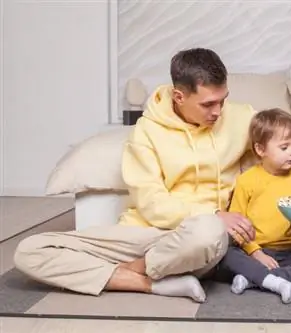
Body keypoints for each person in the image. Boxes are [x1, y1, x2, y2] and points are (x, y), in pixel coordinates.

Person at [13, 48, 258, 303]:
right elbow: (152, 203)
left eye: (223, 100)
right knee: (30, 251)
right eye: (208, 104)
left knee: (210, 231)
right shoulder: (146, 132)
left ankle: (129, 271)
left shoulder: (242, 117)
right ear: (179, 96)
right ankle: (149, 282)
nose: (218, 111)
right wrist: (215, 213)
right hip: (143, 233)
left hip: (197, 242)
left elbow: (282, 141)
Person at [216, 108, 291, 304]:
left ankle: (254, 278)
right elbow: (237, 226)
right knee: (225, 255)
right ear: (260, 150)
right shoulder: (247, 181)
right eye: (284, 147)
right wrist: (256, 253)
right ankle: (274, 281)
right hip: (253, 251)